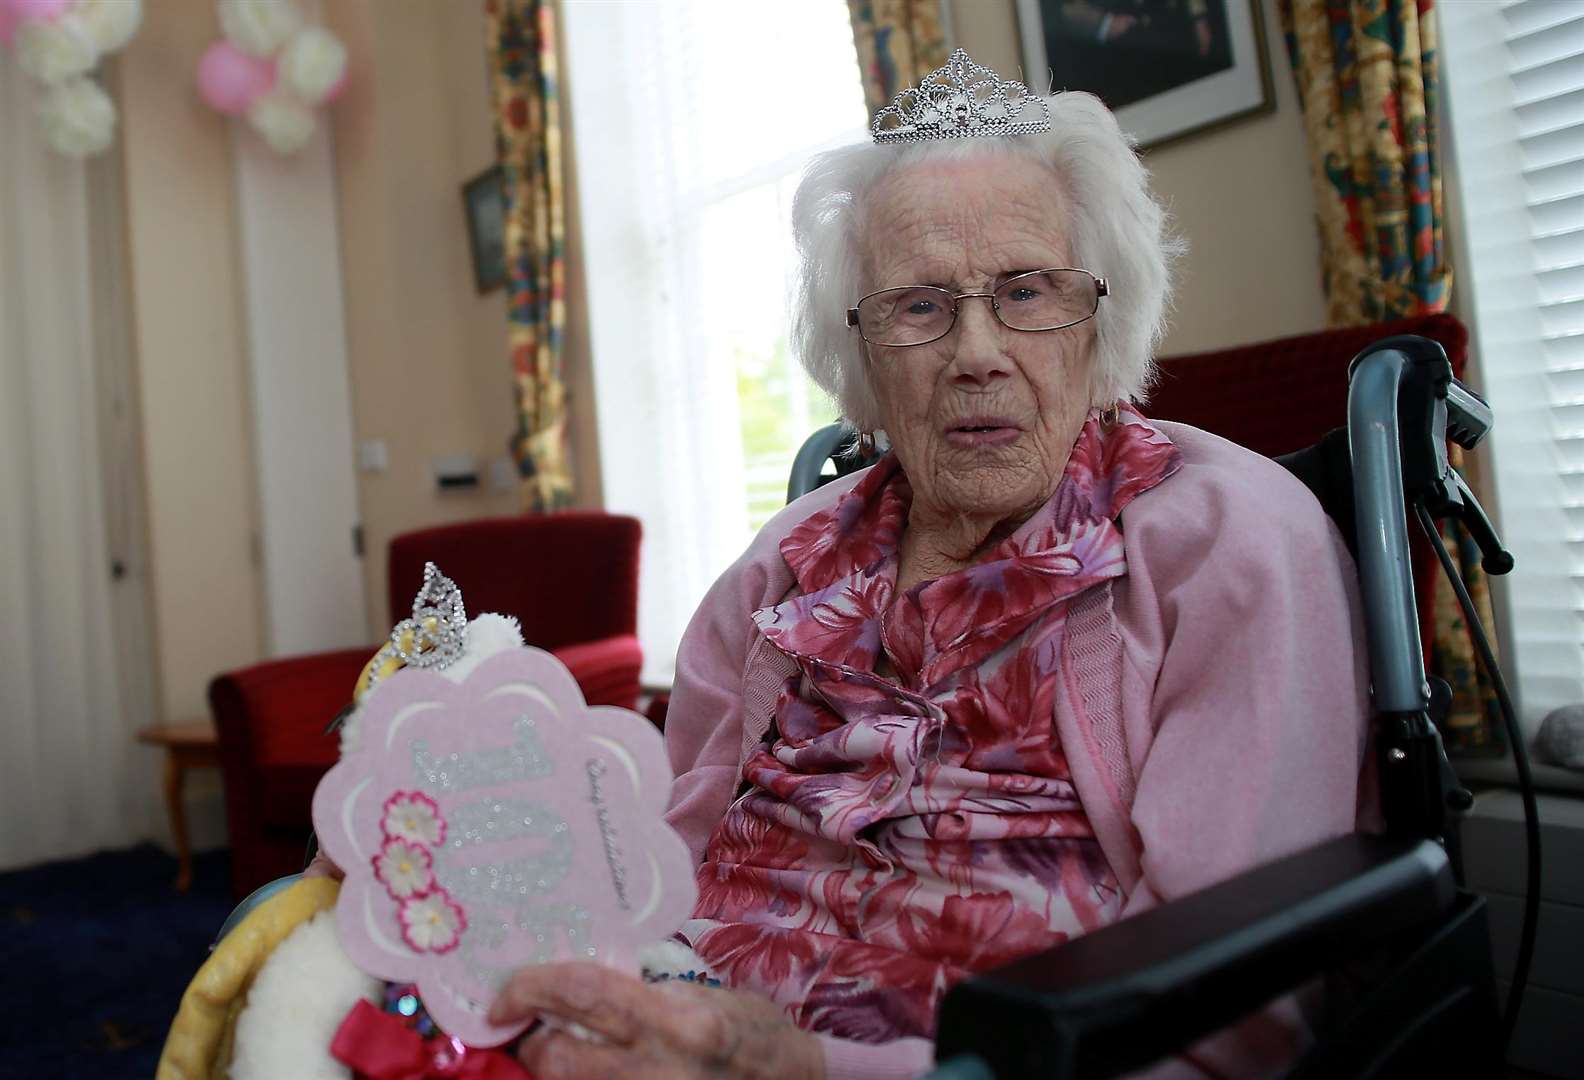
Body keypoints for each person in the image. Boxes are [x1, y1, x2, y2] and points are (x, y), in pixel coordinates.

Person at [488, 49, 1374, 1079]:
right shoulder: (784, 563)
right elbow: (660, 848)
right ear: (860, 352)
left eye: (1028, 291)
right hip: (673, 1020)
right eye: (919, 306)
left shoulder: (1231, 541)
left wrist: (803, 1068)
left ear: (1103, 317)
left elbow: (1228, 1012)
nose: (977, 351)